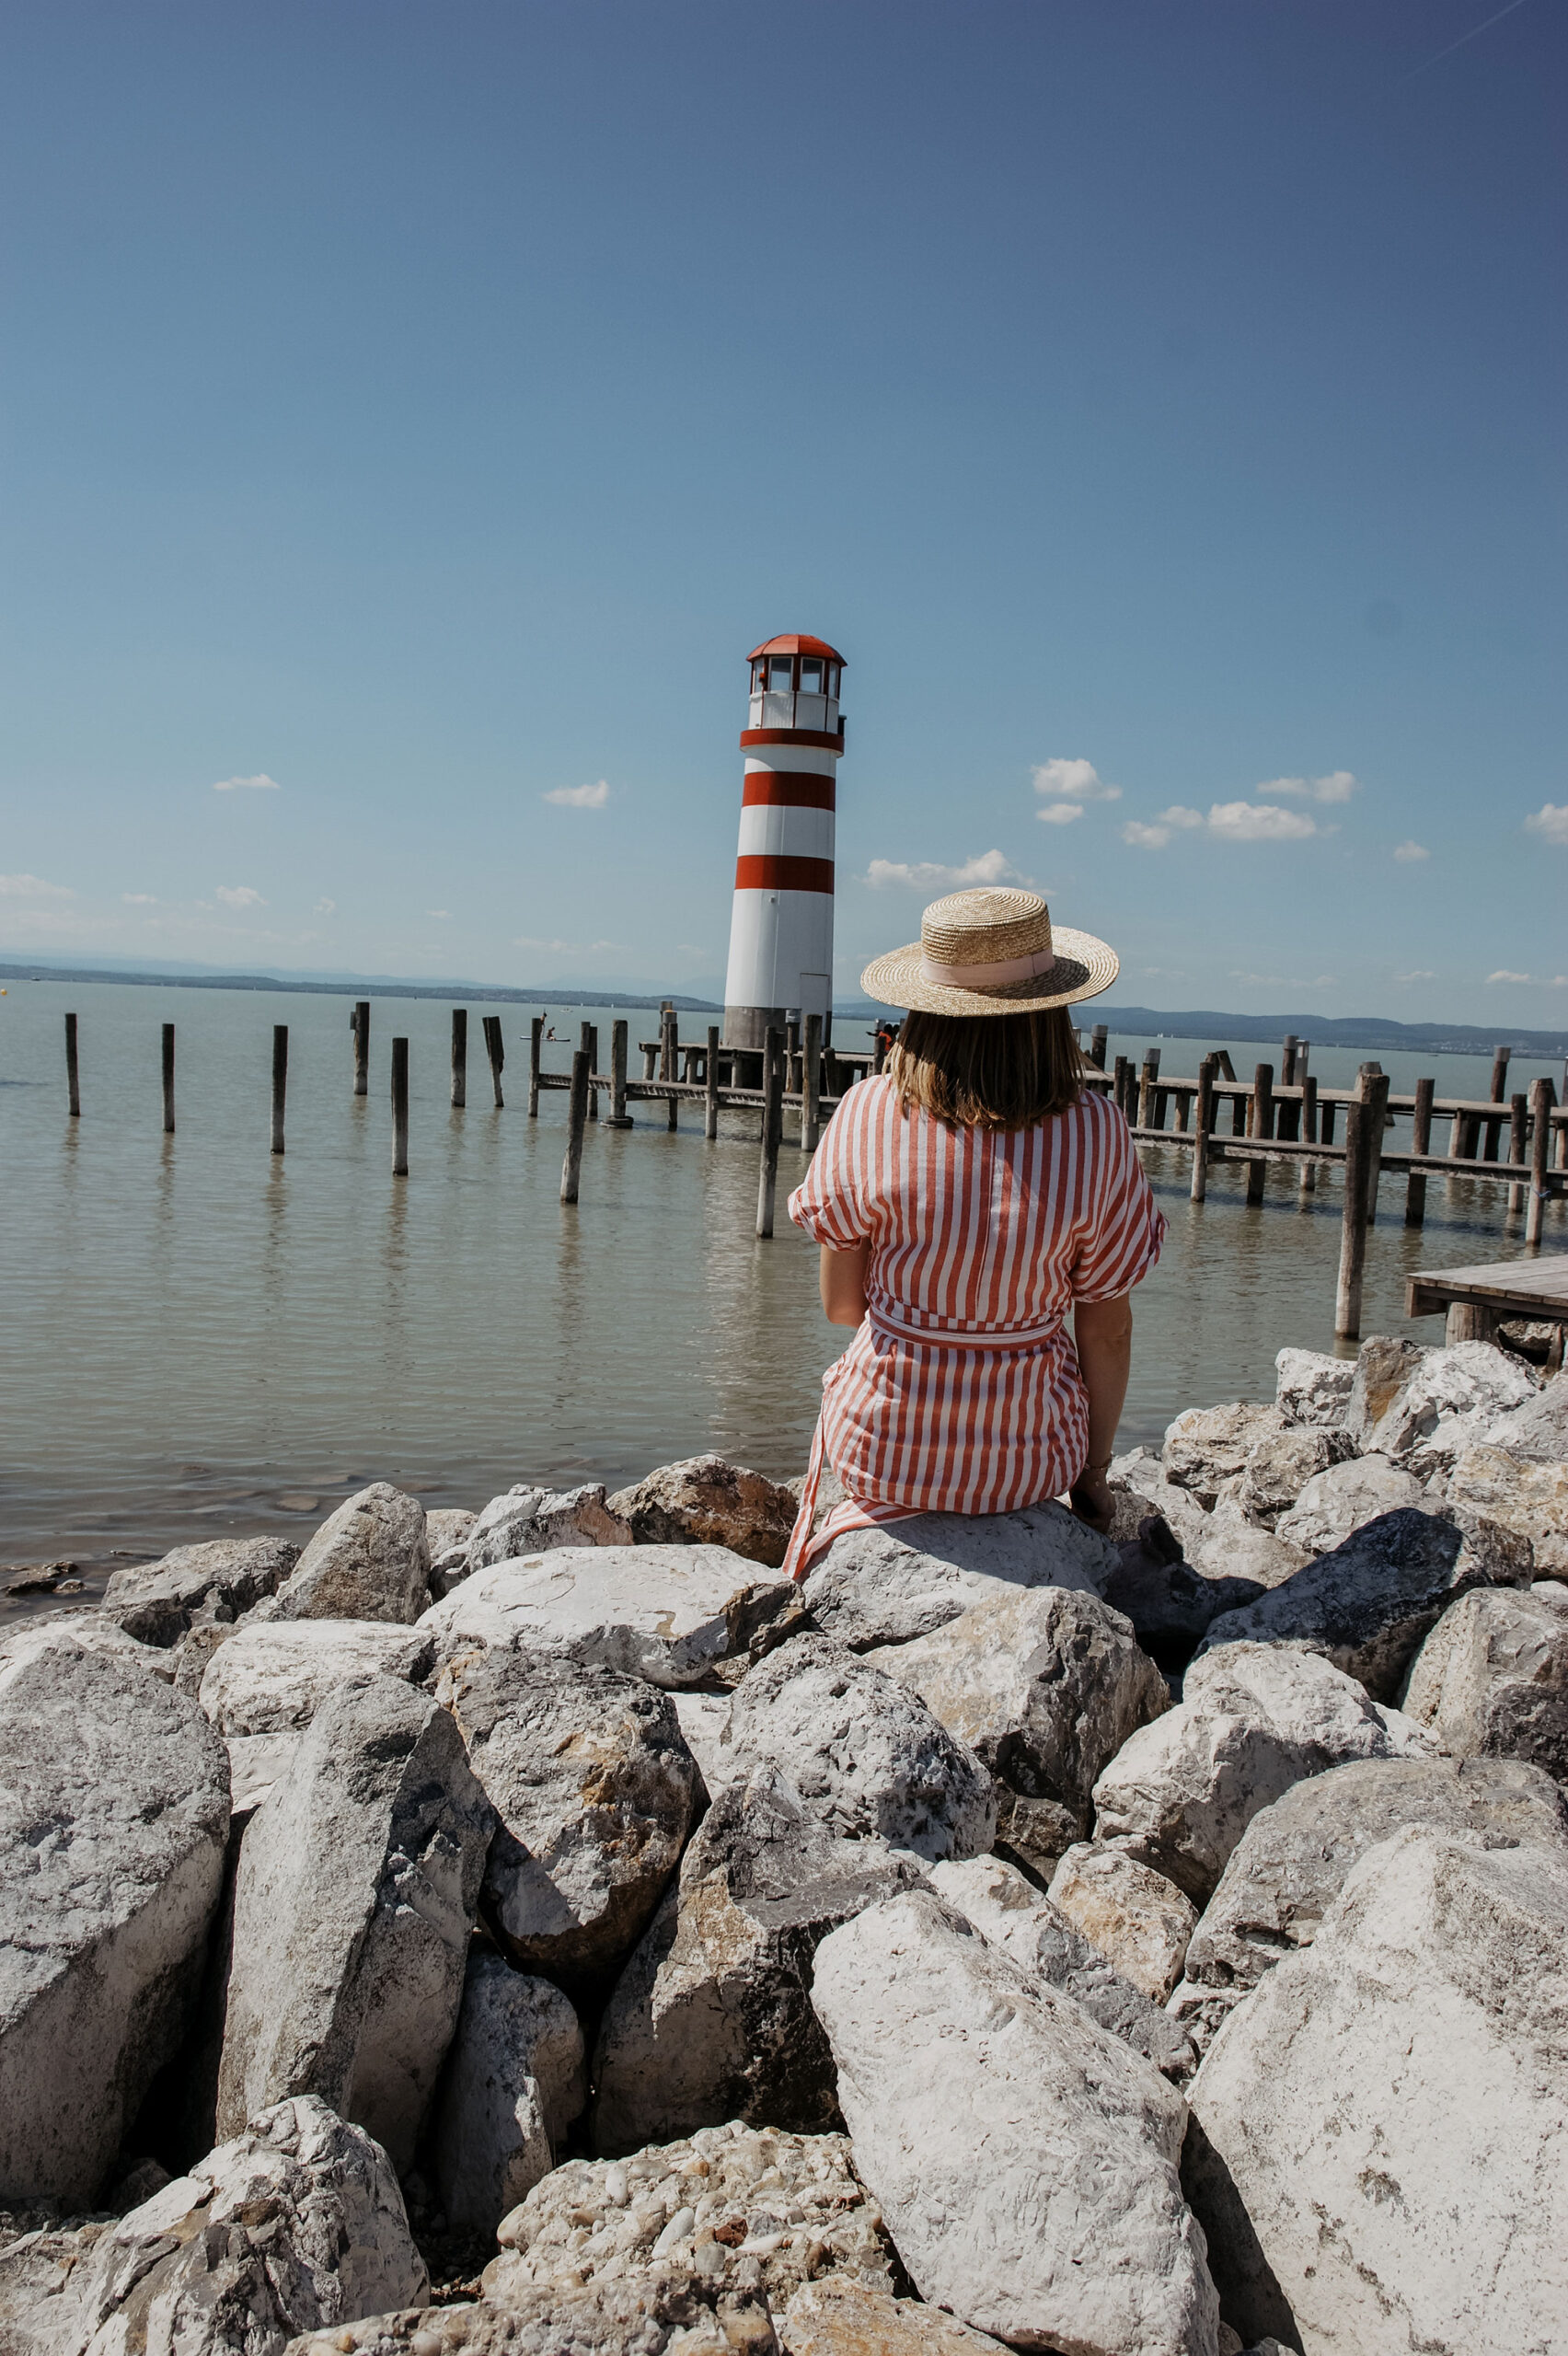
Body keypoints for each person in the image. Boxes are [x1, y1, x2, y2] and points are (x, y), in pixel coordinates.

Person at [782, 885, 1163, 1579]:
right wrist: (1092, 1474)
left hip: (881, 1453)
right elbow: (1106, 1331)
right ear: (1052, 1010)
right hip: (1030, 1462)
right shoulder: (1099, 1131)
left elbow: (842, 1310)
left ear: (924, 1008)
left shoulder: (868, 1111)